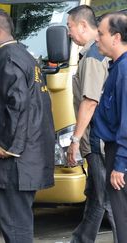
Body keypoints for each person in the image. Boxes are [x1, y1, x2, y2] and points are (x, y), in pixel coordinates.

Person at [0, 9, 55, 243]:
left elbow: (18, 105)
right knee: (16, 219)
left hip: (15, 158)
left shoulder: (7, 58)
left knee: (14, 221)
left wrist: (7, 145)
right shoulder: (21, 54)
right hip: (25, 153)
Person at [65, 5, 118, 243]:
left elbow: (90, 102)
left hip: (97, 140)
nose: (68, 33)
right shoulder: (94, 54)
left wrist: (75, 141)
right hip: (98, 140)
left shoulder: (94, 56)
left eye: (69, 27)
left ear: (83, 26)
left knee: (105, 199)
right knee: (98, 196)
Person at [92, 12, 127, 243]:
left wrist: (120, 164)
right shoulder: (117, 67)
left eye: (101, 33)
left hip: (121, 153)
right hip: (116, 150)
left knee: (123, 222)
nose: (97, 38)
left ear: (115, 37)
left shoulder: (124, 70)